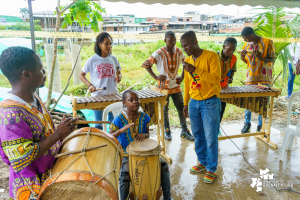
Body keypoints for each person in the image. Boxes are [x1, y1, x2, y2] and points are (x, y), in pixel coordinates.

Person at [0, 46, 77, 199]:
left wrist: (60, 133)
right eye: (41, 69)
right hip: (30, 188)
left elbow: (43, 134)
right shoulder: (10, 112)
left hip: (49, 176)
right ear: (26, 75)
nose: (44, 73)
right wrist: (57, 134)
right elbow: (22, 156)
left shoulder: (34, 98)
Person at [109, 90, 171, 200]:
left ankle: (168, 197)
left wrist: (144, 135)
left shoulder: (144, 117)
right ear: (124, 103)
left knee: (164, 166)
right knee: (124, 176)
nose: (135, 102)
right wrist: (121, 130)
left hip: (145, 151)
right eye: (131, 100)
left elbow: (148, 134)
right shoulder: (119, 119)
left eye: (137, 99)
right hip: (127, 154)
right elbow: (110, 136)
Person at [180, 31, 221, 184]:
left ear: (195, 41)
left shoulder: (211, 56)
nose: (185, 48)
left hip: (210, 102)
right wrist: (185, 103)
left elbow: (216, 79)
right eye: (183, 45)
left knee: (210, 137)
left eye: (187, 44)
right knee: (198, 135)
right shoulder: (187, 60)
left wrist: (195, 70)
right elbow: (186, 84)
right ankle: (202, 162)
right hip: (193, 103)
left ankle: (211, 168)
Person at [142, 31, 194, 141]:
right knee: (165, 110)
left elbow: (186, 64)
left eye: (174, 40)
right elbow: (146, 64)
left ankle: (184, 130)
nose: (173, 42)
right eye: (170, 40)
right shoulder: (159, 53)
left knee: (181, 108)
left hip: (176, 86)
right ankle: (167, 130)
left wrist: (182, 77)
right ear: (165, 40)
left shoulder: (179, 51)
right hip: (163, 87)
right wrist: (156, 77)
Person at [79, 32, 122, 130]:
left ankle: (112, 144)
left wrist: (119, 77)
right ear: (99, 44)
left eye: (110, 44)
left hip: (113, 96)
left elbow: (119, 72)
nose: (109, 46)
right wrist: (89, 85)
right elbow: (81, 75)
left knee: (113, 125)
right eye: (106, 43)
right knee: (99, 125)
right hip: (98, 97)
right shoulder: (92, 60)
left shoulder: (114, 59)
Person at [240, 27, 275, 133]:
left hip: (264, 78)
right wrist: (242, 57)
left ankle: (261, 125)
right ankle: (247, 123)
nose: (246, 41)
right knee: (248, 102)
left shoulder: (268, 42)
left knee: (262, 103)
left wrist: (261, 58)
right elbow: (248, 62)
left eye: (246, 38)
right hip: (250, 78)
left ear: (251, 35)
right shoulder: (246, 46)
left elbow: (272, 59)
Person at [218, 37, 237, 124]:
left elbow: (233, 69)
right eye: (229, 49)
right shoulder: (215, 56)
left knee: (222, 109)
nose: (231, 52)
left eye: (233, 50)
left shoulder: (234, 58)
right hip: (214, 89)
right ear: (224, 46)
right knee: (214, 110)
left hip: (225, 88)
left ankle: (217, 128)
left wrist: (231, 78)